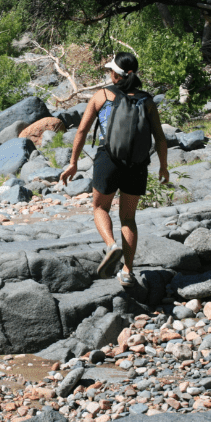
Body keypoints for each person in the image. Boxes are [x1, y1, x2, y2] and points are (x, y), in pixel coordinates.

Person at [59, 52, 168, 286]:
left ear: (115, 74)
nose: (109, 73)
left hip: (108, 160)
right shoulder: (146, 100)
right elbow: (160, 137)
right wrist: (164, 167)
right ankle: (127, 272)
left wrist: (73, 162)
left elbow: (82, 131)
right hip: (137, 164)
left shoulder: (103, 95)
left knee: (99, 207)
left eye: (110, 70)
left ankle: (111, 246)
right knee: (128, 218)